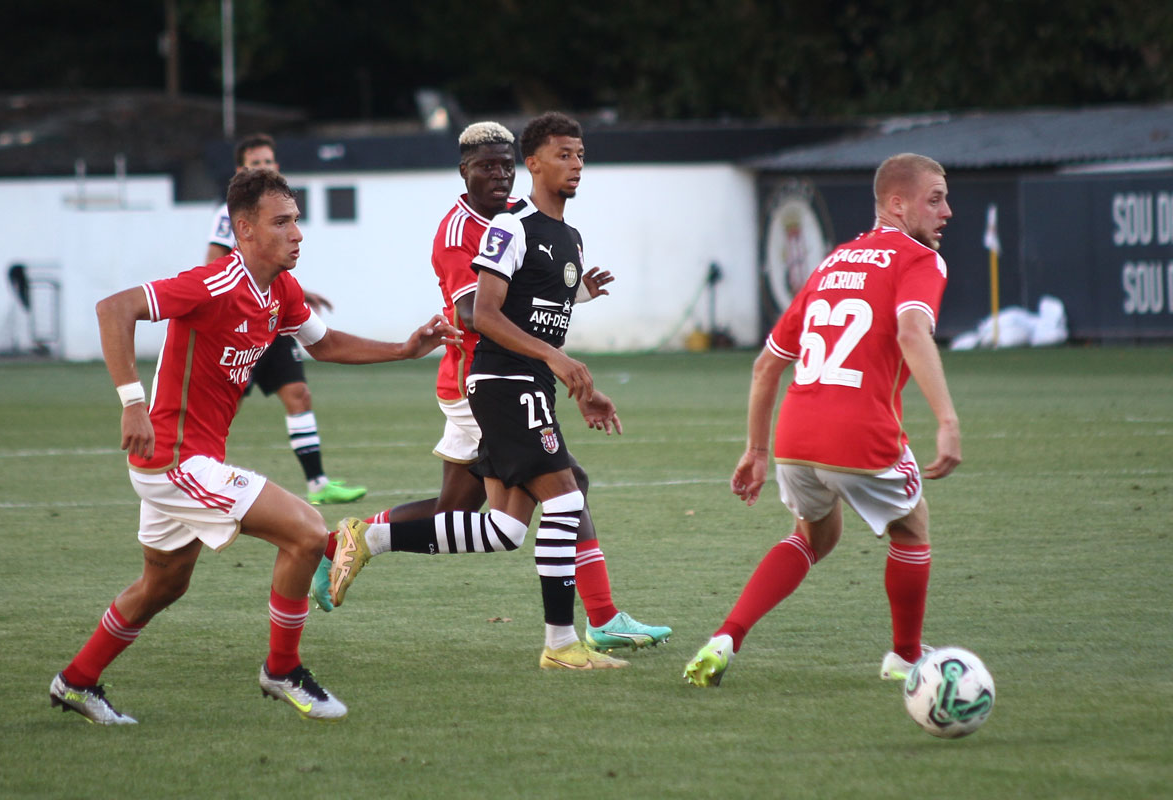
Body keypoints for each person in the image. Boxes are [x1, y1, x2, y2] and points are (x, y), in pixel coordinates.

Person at [49, 168, 457, 724]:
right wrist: (132, 401)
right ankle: (282, 670)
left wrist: (406, 349)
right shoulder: (212, 283)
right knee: (309, 532)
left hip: (194, 461)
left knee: (163, 585)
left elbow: (327, 342)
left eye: (297, 220)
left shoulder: (281, 290)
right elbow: (113, 309)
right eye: (282, 222)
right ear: (244, 229)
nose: (298, 233)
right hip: (172, 461)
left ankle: (76, 681)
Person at [309, 120, 670, 653]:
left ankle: (356, 539)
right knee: (565, 485)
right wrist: (556, 356)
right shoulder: (465, 230)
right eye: (487, 166)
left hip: (506, 373)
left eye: (505, 164)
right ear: (465, 171)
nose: (499, 174)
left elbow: (526, 297)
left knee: (473, 516)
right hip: (477, 377)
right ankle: (596, 620)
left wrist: (574, 297)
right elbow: (472, 313)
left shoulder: (526, 224)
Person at [683, 153, 960, 687]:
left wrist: (757, 451)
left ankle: (726, 637)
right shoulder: (919, 260)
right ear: (897, 205)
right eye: (935, 198)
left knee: (814, 535)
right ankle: (905, 657)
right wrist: (947, 419)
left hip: (795, 434)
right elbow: (910, 332)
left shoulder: (833, 262)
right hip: (857, 431)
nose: (947, 211)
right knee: (912, 525)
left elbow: (767, 366)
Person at [207, 133, 366, 506]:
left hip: (273, 322)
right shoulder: (228, 215)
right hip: (239, 327)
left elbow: (270, 271)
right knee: (225, 405)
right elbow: (213, 264)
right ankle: (200, 471)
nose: (263, 168)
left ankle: (318, 483)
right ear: (240, 170)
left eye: (268, 162)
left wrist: (298, 293)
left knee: (298, 394)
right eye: (255, 163)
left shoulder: (277, 212)